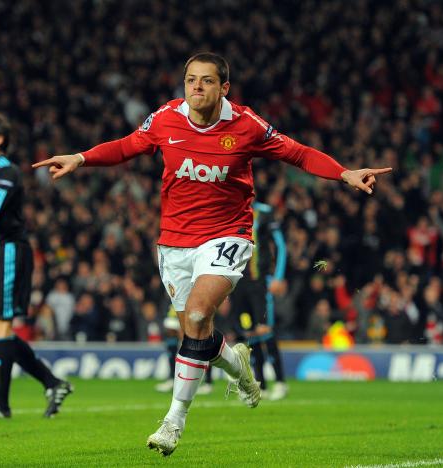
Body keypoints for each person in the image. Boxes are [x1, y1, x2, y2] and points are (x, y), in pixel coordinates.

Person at [33, 52, 391, 456]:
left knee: (200, 315)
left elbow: (298, 152)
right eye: (190, 80)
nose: (196, 88)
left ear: (224, 88)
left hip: (228, 236)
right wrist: (80, 157)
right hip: (174, 242)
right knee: (194, 333)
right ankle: (238, 367)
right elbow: (127, 146)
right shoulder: (166, 118)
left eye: (205, 81)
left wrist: (343, 172)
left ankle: (173, 422)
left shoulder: (246, 125)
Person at [0, 112, 73, 419]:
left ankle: (1, 405)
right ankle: (52, 382)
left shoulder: (7, 173)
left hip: (9, 254)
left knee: (1, 326)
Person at [229, 200, 289, 400]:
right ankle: (260, 385)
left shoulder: (264, 212)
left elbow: (280, 245)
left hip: (259, 283)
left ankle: (280, 382)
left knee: (265, 331)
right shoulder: (230, 210)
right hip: (239, 283)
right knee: (250, 333)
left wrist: (278, 276)